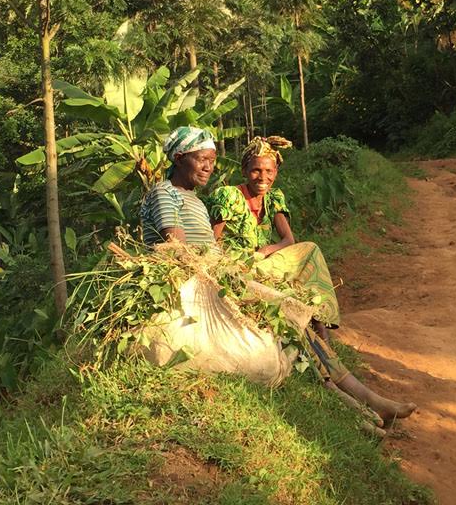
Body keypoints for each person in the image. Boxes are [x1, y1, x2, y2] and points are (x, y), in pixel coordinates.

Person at [140, 126, 416, 425]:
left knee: (291, 315)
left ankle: (359, 397)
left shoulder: (193, 198)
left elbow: (211, 248)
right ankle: (353, 399)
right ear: (179, 158)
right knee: (287, 313)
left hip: (217, 273)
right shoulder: (165, 193)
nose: (209, 167)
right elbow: (178, 248)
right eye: (201, 159)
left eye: (212, 160)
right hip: (199, 281)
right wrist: (227, 274)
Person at [207, 136, 338, 343]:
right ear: (244, 170)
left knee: (311, 250)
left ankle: (320, 320)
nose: (263, 177)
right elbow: (211, 240)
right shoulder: (228, 195)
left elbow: (288, 240)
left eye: (269, 171)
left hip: (264, 263)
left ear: (275, 172)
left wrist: (266, 250)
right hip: (237, 267)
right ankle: (318, 330)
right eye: (256, 170)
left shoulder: (273, 197)